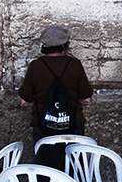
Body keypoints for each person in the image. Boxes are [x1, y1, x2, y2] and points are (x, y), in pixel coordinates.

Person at [18, 25, 94, 169]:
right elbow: (87, 99)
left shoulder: (36, 66)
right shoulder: (74, 65)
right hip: (72, 127)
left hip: (44, 128)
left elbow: (24, 101)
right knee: (73, 170)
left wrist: (39, 104)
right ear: (65, 45)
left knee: (46, 170)